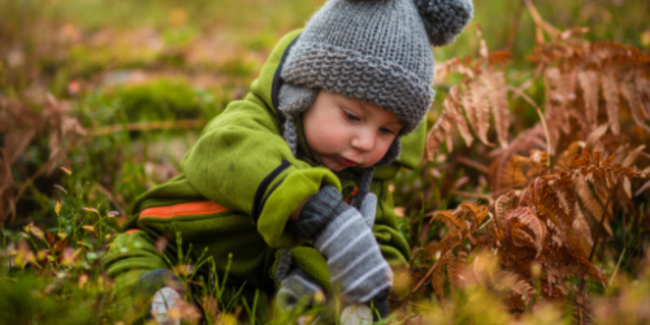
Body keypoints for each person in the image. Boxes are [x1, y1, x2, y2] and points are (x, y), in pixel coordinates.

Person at [103, 0, 472, 323]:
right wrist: (316, 209)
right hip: (175, 240)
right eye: (352, 117)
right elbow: (220, 151)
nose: (365, 143)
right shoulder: (254, 121)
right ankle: (160, 302)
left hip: (254, 288)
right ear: (304, 92)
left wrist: (375, 282)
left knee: (322, 304)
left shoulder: (365, 178)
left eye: (387, 131)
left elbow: (382, 237)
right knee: (136, 258)